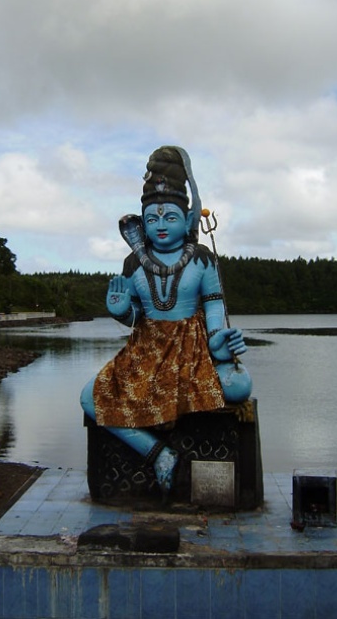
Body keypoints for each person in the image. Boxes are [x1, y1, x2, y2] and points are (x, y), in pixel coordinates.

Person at [80, 146, 251, 494]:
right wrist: (120, 311)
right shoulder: (134, 264)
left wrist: (218, 340)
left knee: (238, 387)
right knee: (90, 398)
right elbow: (136, 316)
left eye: (170, 218)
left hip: (192, 350)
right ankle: (158, 452)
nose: (160, 226)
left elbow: (214, 306)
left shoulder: (201, 259)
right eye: (153, 219)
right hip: (146, 351)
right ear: (142, 223)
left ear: (187, 221)